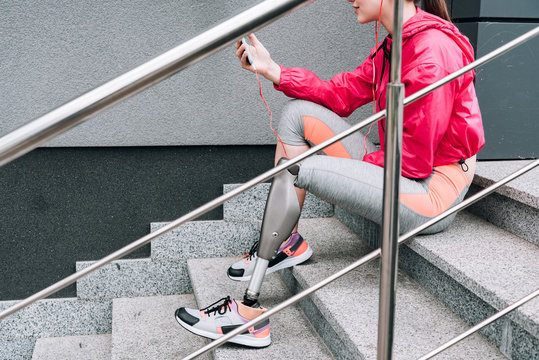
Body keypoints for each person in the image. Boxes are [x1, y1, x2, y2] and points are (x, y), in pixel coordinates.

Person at [175, 0, 484, 348]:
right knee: (297, 116)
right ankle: (287, 242)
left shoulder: (431, 52)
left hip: (431, 190)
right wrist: (273, 69)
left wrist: (335, 175)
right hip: (401, 162)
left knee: (297, 171)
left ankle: (248, 316)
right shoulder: (396, 43)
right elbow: (339, 94)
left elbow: (413, 164)